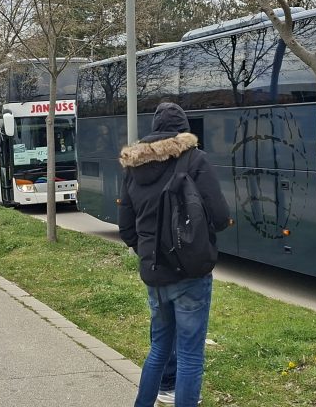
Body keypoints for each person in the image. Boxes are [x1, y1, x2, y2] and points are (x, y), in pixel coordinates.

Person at [118, 102, 230, 407]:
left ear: (154, 129)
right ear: (183, 130)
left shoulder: (132, 166)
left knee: (159, 349)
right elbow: (220, 215)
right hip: (190, 271)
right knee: (190, 355)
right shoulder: (195, 159)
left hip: (154, 275)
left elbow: (126, 227)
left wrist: (146, 250)